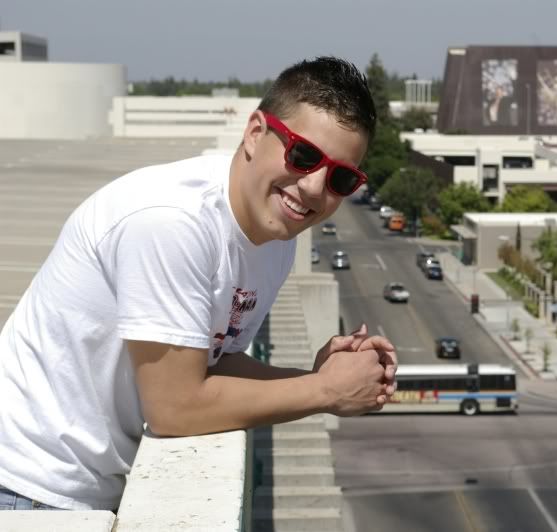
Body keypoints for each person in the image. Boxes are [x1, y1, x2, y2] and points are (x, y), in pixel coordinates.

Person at [0, 56, 397, 511]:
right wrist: (326, 391)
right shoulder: (172, 222)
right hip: (25, 484)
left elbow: (214, 363)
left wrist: (319, 377)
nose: (313, 187)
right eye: (303, 155)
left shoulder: (275, 238)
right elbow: (174, 409)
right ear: (255, 133)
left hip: (78, 488)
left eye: (341, 178)